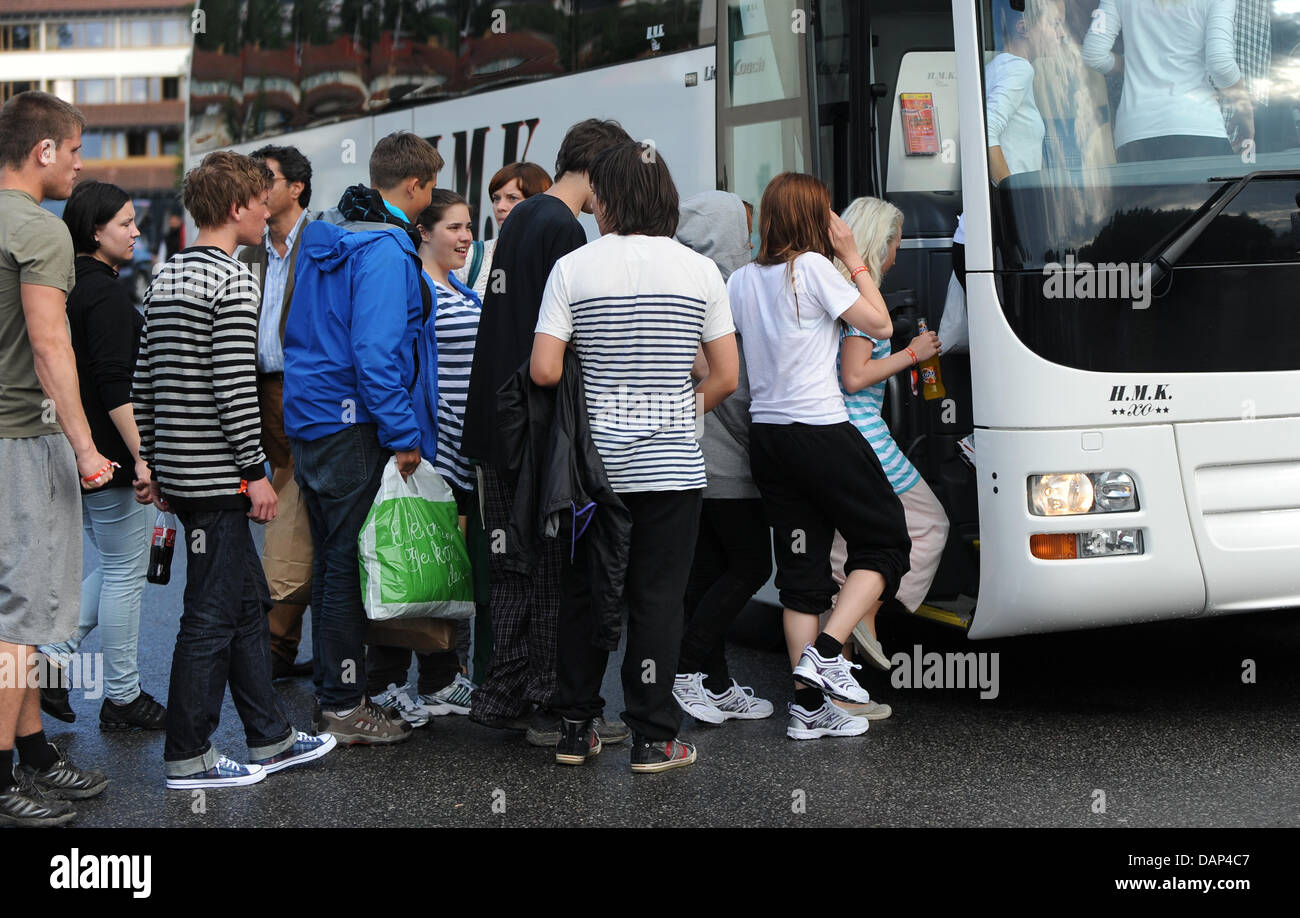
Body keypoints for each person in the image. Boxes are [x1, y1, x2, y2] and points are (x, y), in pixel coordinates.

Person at [532, 140, 739, 772]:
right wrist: (673, 412)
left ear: (609, 199)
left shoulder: (575, 268)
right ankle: (653, 737)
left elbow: (544, 369)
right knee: (657, 599)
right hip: (672, 469)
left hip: (594, 473)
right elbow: (725, 376)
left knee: (586, 592)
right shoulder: (700, 271)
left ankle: (575, 727)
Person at [134, 151, 335, 788]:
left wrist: (154, 461)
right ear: (234, 209)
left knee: (246, 602)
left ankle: (270, 738)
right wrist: (253, 472)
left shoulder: (166, 277)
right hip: (220, 477)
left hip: (183, 473)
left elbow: (145, 382)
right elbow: (232, 385)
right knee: (210, 613)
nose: (264, 208)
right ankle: (189, 755)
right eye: (257, 199)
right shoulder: (234, 279)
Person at [462, 118, 632, 743]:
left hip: (494, 421)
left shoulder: (525, 216)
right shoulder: (563, 227)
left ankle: (500, 695)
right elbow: (563, 335)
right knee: (549, 567)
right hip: (531, 424)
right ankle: (547, 704)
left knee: (510, 566)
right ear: (601, 165)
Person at [727, 172, 911, 741]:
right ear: (815, 219)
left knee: (802, 576)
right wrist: (854, 257)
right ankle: (828, 653)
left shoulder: (740, 279)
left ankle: (807, 710)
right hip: (821, 432)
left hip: (769, 438)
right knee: (886, 540)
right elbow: (878, 323)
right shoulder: (811, 269)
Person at [283, 131, 441, 744]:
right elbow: (377, 352)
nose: (428, 206)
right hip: (355, 425)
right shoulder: (384, 251)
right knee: (347, 565)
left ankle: (335, 693)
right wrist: (404, 432)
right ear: (413, 186)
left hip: (315, 418)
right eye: (428, 192)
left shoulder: (325, 237)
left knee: (331, 564)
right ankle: (345, 706)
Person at [0, 90, 111, 827]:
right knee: (17, 617)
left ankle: (34, 748)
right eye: (74, 150)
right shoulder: (39, 230)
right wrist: (86, 448)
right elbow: (49, 346)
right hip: (24, 442)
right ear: (43, 152)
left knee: (26, 610)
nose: (80, 163)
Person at [36, 181, 167, 731]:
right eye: (125, 223)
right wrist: (144, 457)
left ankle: (52, 661)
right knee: (124, 575)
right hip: (110, 456)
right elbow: (116, 385)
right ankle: (121, 695)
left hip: (77, 451)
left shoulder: (67, 289)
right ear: (95, 231)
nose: (136, 232)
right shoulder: (107, 296)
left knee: (117, 568)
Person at [830, 196, 951, 714]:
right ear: (882, 241)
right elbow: (854, 376)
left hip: (832, 441)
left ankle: (838, 685)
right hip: (868, 438)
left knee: (841, 555)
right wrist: (911, 356)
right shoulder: (862, 298)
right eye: (897, 242)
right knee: (930, 524)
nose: (900, 254)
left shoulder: (832, 288)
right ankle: (866, 609)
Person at [367, 189, 483, 724]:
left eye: (468, 228)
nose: (465, 238)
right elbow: (394, 362)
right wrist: (408, 436)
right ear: (425, 233)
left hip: (462, 450)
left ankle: (441, 678)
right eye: (454, 227)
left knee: (439, 566)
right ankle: (384, 682)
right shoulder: (420, 291)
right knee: (406, 560)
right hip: (429, 447)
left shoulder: (460, 288)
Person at [668, 190, 776, 726]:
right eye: (744, 230)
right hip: (727, 459)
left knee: (706, 574)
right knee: (753, 562)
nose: (751, 241)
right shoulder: (722, 289)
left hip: (690, 460)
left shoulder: (679, 283)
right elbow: (728, 384)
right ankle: (687, 669)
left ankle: (713, 681)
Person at [239, 143, 315, 680]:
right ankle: (275, 646)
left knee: (302, 507)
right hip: (260, 389)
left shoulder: (322, 243)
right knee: (283, 511)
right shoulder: (249, 251)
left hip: (306, 388)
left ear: (296, 188)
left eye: (267, 177)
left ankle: (277, 646)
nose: (258, 187)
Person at [1082, 0, 1250, 161]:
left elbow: (1094, 55)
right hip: (1199, 126)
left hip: (1135, 133)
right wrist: (1245, 110)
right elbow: (1220, 64)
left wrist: (1138, 65)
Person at [453, 162, 552, 301]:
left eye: (512, 198)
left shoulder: (555, 257)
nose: (500, 207)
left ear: (537, 202)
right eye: (496, 198)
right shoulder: (473, 256)